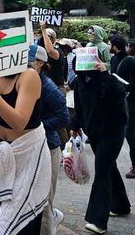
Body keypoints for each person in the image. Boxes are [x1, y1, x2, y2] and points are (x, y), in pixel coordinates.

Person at [0, 57, 51, 234]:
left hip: (27, 154)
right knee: (6, 209)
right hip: (4, 156)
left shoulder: (28, 76)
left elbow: (19, 122)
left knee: (22, 222)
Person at [71, 53, 130, 234]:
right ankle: (120, 205)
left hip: (113, 132)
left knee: (102, 171)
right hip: (95, 133)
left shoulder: (107, 79)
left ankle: (98, 220)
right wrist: (75, 126)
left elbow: (119, 94)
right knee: (109, 167)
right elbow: (79, 106)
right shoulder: (80, 82)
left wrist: (105, 73)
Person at [27, 44, 70, 234]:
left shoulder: (48, 87)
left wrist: (37, 126)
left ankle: (49, 224)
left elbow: (63, 117)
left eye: (28, 63)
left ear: (40, 63)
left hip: (49, 148)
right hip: (33, 147)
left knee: (44, 201)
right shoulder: (29, 82)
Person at [108, 34, 135, 179]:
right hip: (118, 104)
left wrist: (124, 87)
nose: (108, 46)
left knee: (131, 135)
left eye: (109, 44)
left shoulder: (130, 62)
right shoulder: (113, 59)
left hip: (131, 103)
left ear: (114, 46)